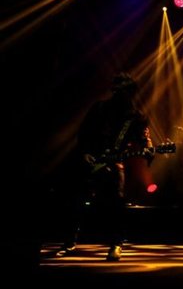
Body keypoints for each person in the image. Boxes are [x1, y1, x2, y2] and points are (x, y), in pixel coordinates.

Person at [55, 72, 152, 261]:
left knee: (117, 203)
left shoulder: (136, 117)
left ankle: (116, 244)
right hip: (90, 160)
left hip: (114, 163)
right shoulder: (99, 108)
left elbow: (144, 138)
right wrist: (85, 153)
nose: (116, 94)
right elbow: (83, 132)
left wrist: (149, 149)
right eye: (115, 90)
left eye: (121, 91)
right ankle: (70, 240)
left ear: (130, 92)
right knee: (76, 200)